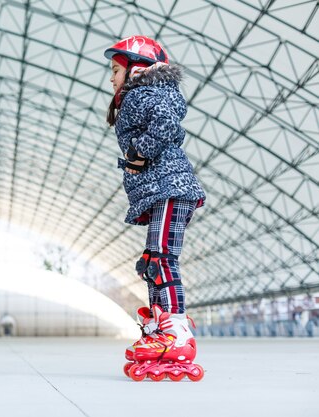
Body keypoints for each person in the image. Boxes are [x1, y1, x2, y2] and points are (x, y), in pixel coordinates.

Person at [105, 35, 206, 381]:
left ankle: (175, 331)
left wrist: (139, 153)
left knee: (162, 259)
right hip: (163, 190)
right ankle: (160, 327)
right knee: (151, 262)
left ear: (136, 68)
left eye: (116, 70)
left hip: (171, 189)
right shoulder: (141, 95)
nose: (111, 77)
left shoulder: (145, 93)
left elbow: (166, 123)